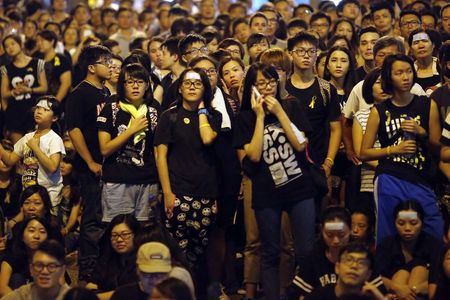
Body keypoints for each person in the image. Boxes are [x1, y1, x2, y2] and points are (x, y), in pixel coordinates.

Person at [234, 62, 314, 300]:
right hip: (266, 192)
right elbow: (255, 156)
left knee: (305, 249)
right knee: (270, 252)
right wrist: (260, 117)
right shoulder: (245, 119)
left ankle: (300, 294)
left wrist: (279, 112)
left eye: (271, 81)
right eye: (261, 83)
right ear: (252, 87)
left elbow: (300, 144)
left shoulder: (291, 106)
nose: (267, 87)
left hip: (299, 187)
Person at [360, 54, 444, 243]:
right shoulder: (378, 111)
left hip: (421, 176)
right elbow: (364, 152)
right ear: (389, 77)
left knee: (433, 227)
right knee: (388, 232)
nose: (406, 77)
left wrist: (421, 131)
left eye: (408, 72)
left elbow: (439, 146)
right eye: (399, 73)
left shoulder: (427, 104)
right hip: (389, 175)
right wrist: (393, 150)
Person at [154, 68, 221, 276]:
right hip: (178, 191)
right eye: (188, 83)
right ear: (180, 88)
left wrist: (201, 112)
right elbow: (161, 156)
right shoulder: (169, 116)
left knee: (199, 250)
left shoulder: (214, 116)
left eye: (198, 83)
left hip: (206, 192)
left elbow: (208, 138)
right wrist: (167, 192)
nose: (192, 86)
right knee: (177, 250)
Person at [65, 44, 112, 281]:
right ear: (92, 67)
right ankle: (87, 273)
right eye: (106, 61)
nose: (111, 64)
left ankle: (104, 269)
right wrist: (90, 161)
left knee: (107, 219)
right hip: (91, 167)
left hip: (109, 166)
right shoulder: (79, 93)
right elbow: (74, 130)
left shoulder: (106, 92)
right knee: (92, 220)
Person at [97, 63, 160, 223]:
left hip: (147, 181)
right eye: (130, 82)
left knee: (146, 229)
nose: (135, 86)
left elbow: (158, 150)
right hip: (117, 180)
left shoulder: (153, 111)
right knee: (117, 229)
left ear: (147, 85)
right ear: (122, 85)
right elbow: (104, 149)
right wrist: (131, 130)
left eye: (140, 82)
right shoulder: (111, 109)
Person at [286, 32, 342, 184]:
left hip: (319, 160)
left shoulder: (326, 89)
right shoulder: (282, 88)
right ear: (290, 54)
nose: (306, 56)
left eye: (311, 51)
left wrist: (329, 161)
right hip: (288, 161)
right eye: (301, 51)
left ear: (317, 54)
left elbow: (336, 128)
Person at [0, 96, 65, 211]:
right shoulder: (28, 137)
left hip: (49, 198)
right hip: (28, 196)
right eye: (38, 107)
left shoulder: (54, 139)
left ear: (54, 118)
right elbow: (9, 160)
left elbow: (53, 167)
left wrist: (35, 147)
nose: (39, 111)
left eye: (45, 110)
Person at [375, 200, 444, 299]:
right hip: (392, 294)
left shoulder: (434, 246)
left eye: (413, 223)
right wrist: (398, 289)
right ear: (394, 223)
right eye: (401, 223)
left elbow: (439, 280)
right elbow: (376, 276)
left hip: (422, 295)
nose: (407, 228)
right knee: (401, 274)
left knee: (419, 270)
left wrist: (412, 289)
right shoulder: (387, 244)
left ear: (422, 223)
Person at [352, 69, 390, 213]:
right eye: (379, 83)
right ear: (369, 87)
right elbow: (359, 151)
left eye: (387, 83)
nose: (384, 87)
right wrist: (387, 166)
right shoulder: (361, 116)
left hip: (398, 179)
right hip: (370, 181)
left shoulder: (401, 113)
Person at [0, 34, 48, 144]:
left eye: (13, 44)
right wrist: (14, 91)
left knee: (34, 149)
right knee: (19, 149)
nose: (10, 48)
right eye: (7, 46)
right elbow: (3, 94)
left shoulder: (37, 63)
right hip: (14, 112)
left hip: (34, 110)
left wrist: (29, 90)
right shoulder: (5, 69)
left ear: (21, 45)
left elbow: (44, 88)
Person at [110, 242, 194, 300]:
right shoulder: (123, 295)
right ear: (138, 271)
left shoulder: (178, 294)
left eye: (160, 274)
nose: (154, 279)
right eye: (148, 274)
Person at [0, 217, 59, 297]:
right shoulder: (13, 255)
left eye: (42, 232)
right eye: (31, 231)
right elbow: (2, 287)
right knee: (17, 278)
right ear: (22, 236)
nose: (37, 236)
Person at [86, 214, 141, 299]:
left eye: (125, 234)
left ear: (136, 235)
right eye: (114, 235)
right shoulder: (107, 258)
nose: (119, 240)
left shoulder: (141, 262)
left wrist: (96, 297)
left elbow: (130, 293)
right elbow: (91, 284)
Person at [304, 243, 385, 300]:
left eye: (361, 263)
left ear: (368, 274)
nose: (354, 266)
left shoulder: (371, 298)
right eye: (349, 260)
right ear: (337, 268)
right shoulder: (318, 296)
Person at [1, 239, 69, 300]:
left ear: (62, 270)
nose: (44, 271)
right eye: (39, 266)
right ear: (31, 269)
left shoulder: (71, 296)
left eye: (51, 266)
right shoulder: (22, 294)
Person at [36, 30, 72, 102]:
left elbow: (66, 83)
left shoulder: (61, 59)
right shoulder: (37, 59)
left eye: (42, 40)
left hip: (57, 101)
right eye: (37, 41)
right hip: (40, 101)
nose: (39, 43)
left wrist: (55, 103)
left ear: (52, 41)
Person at [408, 29, 441, 96]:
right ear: (411, 49)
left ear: (433, 45)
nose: (421, 46)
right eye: (416, 42)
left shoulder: (443, 67)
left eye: (425, 41)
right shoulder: (407, 72)